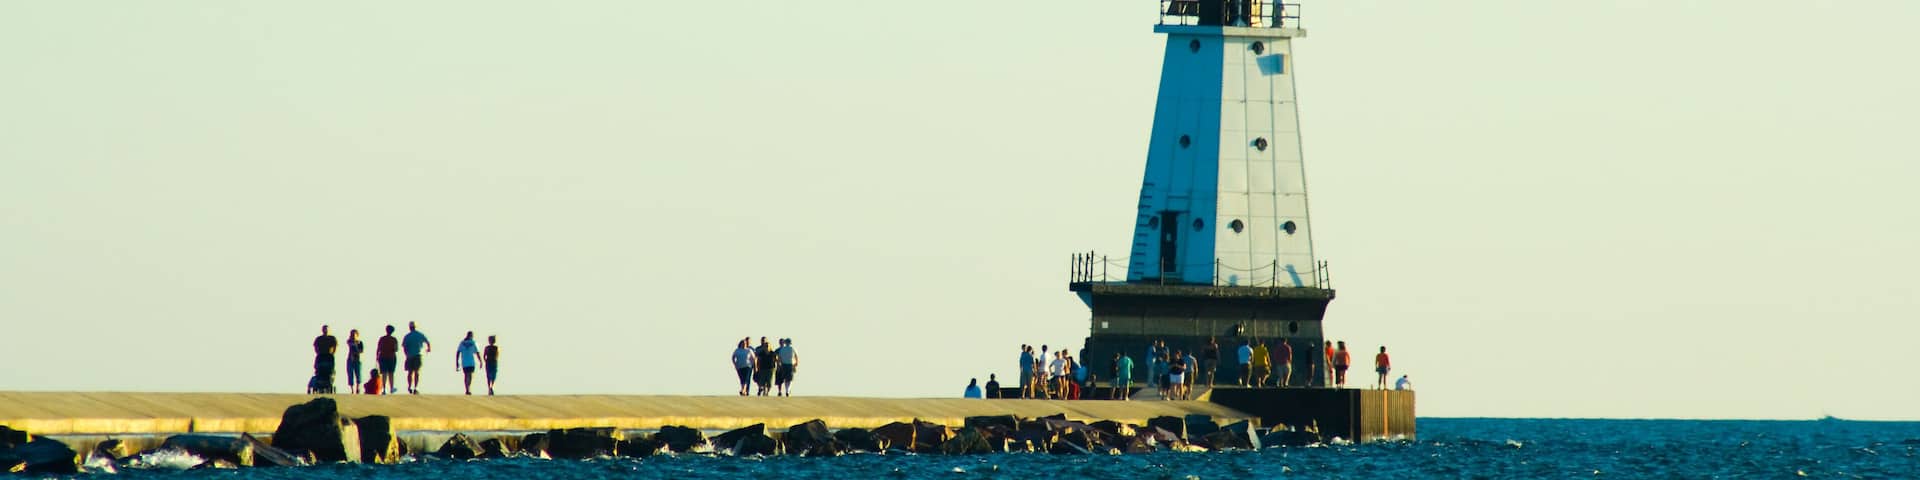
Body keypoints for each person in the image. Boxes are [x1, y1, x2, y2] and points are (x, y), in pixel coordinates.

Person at [401, 322, 432, 395]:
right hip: (418, 355)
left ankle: (410, 386)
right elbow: (427, 342)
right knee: (417, 372)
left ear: (409, 327)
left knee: (410, 372)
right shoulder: (420, 334)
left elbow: (404, 347)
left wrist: (406, 354)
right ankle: (416, 387)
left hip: (410, 356)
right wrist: (429, 348)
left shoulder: (407, 336)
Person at [311, 326, 338, 394]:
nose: (325, 331)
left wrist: (332, 353)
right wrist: (318, 352)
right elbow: (315, 346)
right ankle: (319, 383)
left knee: (329, 372)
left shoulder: (332, 338)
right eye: (324, 329)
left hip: (329, 356)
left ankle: (327, 383)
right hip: (321, 356)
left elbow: (335, 346)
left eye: (327, 329)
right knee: (319, 370)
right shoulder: (319, 339)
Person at [455, 331, 481, 395]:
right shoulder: (473, 343)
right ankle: (468, 388)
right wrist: (480, 361)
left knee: (467, 375)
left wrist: (457, 362)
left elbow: (458, 353)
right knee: (470, 376)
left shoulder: (462, 343)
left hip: (465, 362)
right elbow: (477, 353)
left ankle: (467, 389)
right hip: (470, 362)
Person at [376, 326, 400, 395]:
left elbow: (378, 348)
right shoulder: (394, 339)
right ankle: (391, 388)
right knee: (391, 373)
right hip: (391, 357)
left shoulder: (382, 338)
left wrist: (377, 357)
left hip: (382, 357)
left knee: (384, 373)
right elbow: (396, 349)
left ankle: (384, 389)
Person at [344, 330, 364, 395]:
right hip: (350, 359)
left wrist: (356, 346)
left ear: (357, 335)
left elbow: (361, 351)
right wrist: (355, 344)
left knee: (358, 374)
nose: (353, 336)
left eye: (354, 335)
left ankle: (358, 388)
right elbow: (349, 344)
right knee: (350, 374)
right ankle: (352, 389)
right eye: (352, 334)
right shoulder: (349, 341)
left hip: (357, 360)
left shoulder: (360, 342)